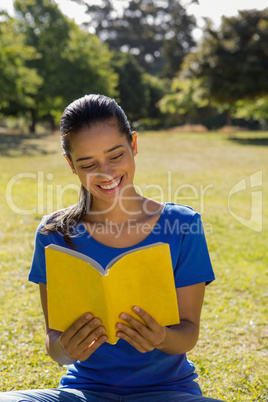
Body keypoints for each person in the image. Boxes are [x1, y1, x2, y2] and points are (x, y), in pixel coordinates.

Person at [0, 95, 224, 402]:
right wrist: (66, 348)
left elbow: (189, 334)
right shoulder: (54, 234)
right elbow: (55, 345)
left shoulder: (183, 225)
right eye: (88, 164)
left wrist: (162, 337)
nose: (105, 173)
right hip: (84, 392)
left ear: (133, 145)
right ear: (71, 165)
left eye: (115, 156)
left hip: (168, 393)